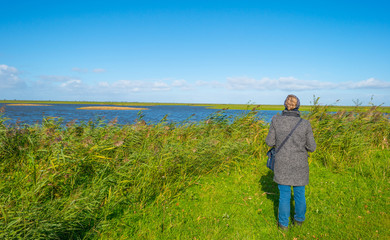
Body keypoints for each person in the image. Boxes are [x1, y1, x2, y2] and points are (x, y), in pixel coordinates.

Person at [265, 94, 316, 230]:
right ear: (298, 106)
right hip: (300, 164)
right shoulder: (305, 124)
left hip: (282, 163)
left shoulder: (276, 120)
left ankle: (283, 225)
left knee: (284, 195)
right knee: (299, 194)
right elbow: (312, 147)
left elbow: (269, 142)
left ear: (285, 105)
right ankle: (299, 221)